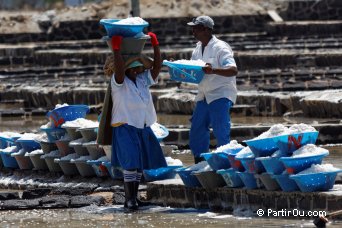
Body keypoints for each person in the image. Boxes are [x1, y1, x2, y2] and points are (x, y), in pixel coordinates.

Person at [100, 32, 167, 212]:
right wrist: (116, 49)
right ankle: (129, 200)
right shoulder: (119, 82)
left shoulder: (142, 80)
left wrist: (156, 45)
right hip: (124, 126)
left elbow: (157, 68)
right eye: (134, 69)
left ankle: (134, 199)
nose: (137, 71)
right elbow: (120, 70)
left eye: (139, 68)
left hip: (142, 126)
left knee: (138, 164)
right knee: (130, 163)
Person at [187, 16, 238, 164]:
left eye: (196, 28)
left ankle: (225, 163)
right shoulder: (197, 48)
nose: (193, 31)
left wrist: (213, 70)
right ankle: (200, 161)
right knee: (197, 128)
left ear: (206, 29)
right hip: (204, 93)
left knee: (220, 129)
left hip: (220, 92)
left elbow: (233, 70)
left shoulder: (220, 47)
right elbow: (194, 70)